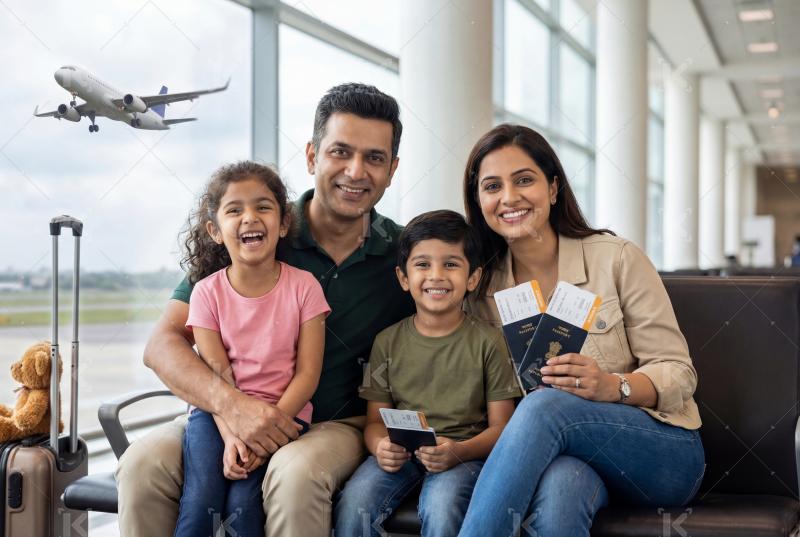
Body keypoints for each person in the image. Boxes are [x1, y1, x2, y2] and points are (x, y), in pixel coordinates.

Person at [116, 83, 416, 537]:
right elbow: (161, 345)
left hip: (334, 423)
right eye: (341, 152)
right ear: (313, 156)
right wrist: (233, 409)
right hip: (223, 413)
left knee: (294, 476)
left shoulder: (405, 254)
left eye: (374, 157)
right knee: (141, 466)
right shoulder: (256, 230)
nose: (356, 171)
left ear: (392, 170)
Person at [457, 124, 705, 537]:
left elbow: (679, 372)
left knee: (545, 406)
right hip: (560, 458)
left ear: (553, 189)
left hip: (660, 452)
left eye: (524, 180)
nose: (509, 198)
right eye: (492, 186)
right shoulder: (480, 290)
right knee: (562, 489)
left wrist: (614, 386)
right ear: (479, 201)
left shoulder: (617, 259)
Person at [334, 210, 522, 536]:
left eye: (451, 264)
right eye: (422, 265)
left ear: (473, 278)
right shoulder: (387, 342)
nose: (436, 275)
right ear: (404, 278)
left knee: (444, 506)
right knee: (356, 501)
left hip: (463, 455)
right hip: (402, 454)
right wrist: (380, 446)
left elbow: (502, 428)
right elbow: (375, 422)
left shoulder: (490, 342)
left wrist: (459, 452)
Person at [173, 162, 330, 536]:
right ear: (214, 230)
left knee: (243, 507)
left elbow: (308, 374)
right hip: (216, 417)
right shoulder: (206, 293)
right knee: (200, 503)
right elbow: (216, 378)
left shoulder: (305, 287)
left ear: (284, 222)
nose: (249, 217)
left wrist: (267, 432)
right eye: (234, 209)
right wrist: (233, 437)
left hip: (284, 414)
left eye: (263, 207)